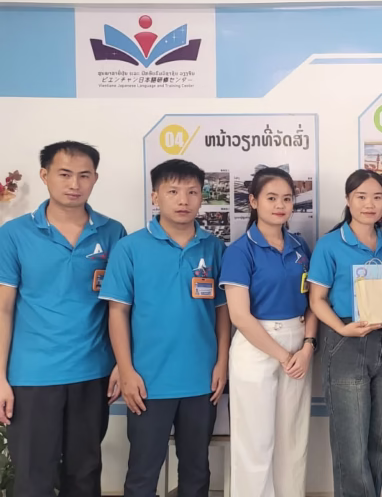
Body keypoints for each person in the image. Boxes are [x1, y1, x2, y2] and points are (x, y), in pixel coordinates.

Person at [0, 141, 125, 496]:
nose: (74, 184)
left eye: (84, 175)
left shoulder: (112, 232)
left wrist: (122, 364)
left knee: (84, 475)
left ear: (95, 178)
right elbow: (3, 309)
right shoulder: (14, 234)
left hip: (93, 373)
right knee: (32, 478)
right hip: (32, 376)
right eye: (65, 174)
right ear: (45, 175)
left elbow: (121, 308)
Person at [101, 159, 230, 497]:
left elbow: (222, 311)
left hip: (201, 381)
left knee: (196, 471)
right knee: (143, 473)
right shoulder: (130, 248)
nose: (183, 200)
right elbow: (117, 312)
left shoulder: (214, 248)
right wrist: (126, 370)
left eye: (192, 192)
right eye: (173, 192)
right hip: (147, 382)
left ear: (202, 197)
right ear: (155, 196)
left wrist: (222, 363)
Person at [308, 169, 382, 497]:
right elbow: (316, 299)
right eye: (361, 197)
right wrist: (341, 328)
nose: (370, 204)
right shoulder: (330, 244)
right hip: (345, 342)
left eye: (377, 197)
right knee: (351, 445)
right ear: (348, 200)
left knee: (379, 444)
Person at [220, 167, 317, 496]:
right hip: (256, 346)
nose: (280, 205)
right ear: (253, 201)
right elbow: (240, 316)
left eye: (287, 199)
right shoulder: (240, 251)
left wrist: (307, 347)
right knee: (255, 441)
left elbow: (313, 302)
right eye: (271, 198)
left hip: (299, 345)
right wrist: (283, 356)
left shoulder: (301, 247)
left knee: (293, 439)